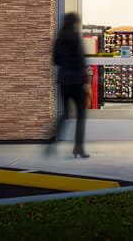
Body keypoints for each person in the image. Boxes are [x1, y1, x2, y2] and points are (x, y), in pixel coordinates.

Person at [48, 12, 90, 159]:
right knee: (81, 116)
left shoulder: (59, 39)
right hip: (77, 82)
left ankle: (51, 141)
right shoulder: (75, 37)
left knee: (65, 114)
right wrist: (86, 82)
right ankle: (78, 148)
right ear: (75, 23)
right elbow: (81, 60)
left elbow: (55, 61)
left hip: (64, 82)